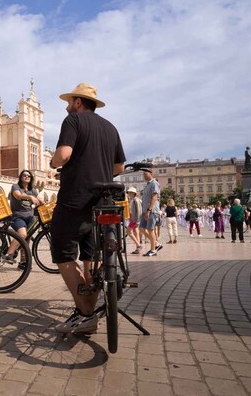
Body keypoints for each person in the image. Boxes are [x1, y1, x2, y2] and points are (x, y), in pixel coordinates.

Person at [49, 83, 125, 334]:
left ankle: (86, 313)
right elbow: (119, 169)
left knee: (63, 253)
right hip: (102, 201)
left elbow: (63, 155)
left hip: (75, 197)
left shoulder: (73, 121)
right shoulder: (111, 128)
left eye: (69, 101)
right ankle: (89, 310)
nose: (67, 106)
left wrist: (54, 161)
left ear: (79, 103)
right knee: (90, 256)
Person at [4, 170, 41, 268]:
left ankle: (23, 262)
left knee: (27, 240)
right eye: (24, 175)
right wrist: (30, 197)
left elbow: (40, 199)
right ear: (21, 177)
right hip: (17, 216)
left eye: (29, 175)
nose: (27, 177)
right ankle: (9, 254)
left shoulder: (32, 190)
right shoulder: (16, 187)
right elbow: (18, 196)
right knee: (22, 234)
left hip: (30, 217)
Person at [140, 168, 161, 256]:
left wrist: (149, 210)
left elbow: (154, 197)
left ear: (151, 173)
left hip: (152, 210)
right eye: (143, 174)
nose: (144, 176)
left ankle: (153, 250)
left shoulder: (154, 183)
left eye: (145, 174)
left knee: (150, 229)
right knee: (141, 228)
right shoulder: (147, 185)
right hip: (145, 210)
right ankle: (156, 244)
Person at [126, 187, 143, 253]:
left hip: (135, 219)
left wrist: (137, 220)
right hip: (134, 219)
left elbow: (139, 211)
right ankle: (137, 248)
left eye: (131, 192)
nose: (129, 194)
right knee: (136, 233)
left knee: (129, 232)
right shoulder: (132, 200)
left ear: (134, 193)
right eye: (129, 192)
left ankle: (138, 245)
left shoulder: (136, 200)